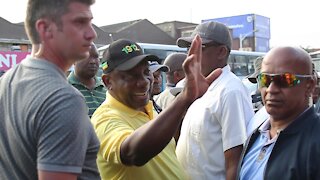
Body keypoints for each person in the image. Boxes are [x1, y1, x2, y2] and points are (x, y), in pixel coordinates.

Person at [91, 37, 222, 179]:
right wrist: (184, 98)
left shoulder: (148, 109)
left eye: (146, 72)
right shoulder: (104, 118)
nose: (143, 82)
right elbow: (133, 153)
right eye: (131, 76)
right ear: (107, 81)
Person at [0, 0, 100, 179]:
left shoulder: (8, 80)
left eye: (90, 23)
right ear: (45, 29)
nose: (92, 34)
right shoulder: (64, 99)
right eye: (80, 22)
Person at [175, 21, 254, 180]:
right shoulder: (197, 88)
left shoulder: (230, 91)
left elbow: (235, 160)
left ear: (221, 52)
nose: (191, 54)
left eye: (200, 48)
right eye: (189, 48)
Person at [238, 46, 320, 179]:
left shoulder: (315, 142)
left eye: (285, 80)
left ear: (309, 85)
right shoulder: (257, 134)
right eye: (265, 79)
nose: (271, 89)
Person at [68, 43, 107, 118]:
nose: (93, 61)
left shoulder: (107, 87)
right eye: (87, 56)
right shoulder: (65, 90)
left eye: (96, 57)